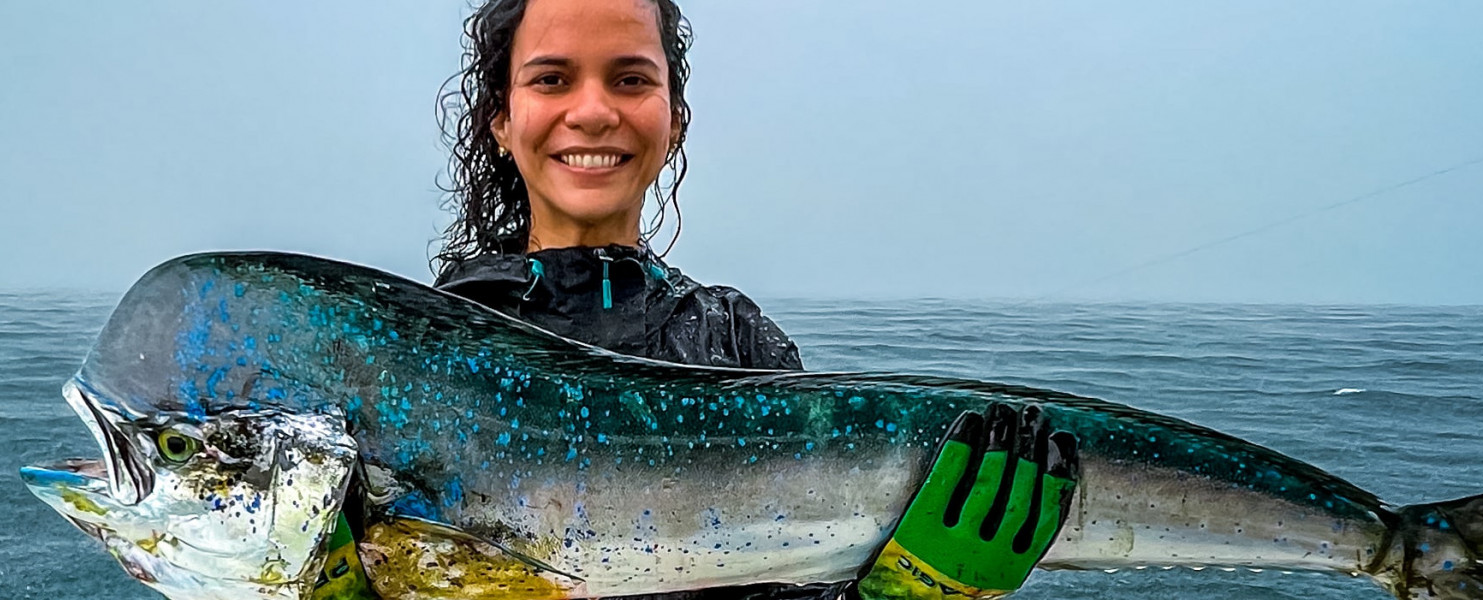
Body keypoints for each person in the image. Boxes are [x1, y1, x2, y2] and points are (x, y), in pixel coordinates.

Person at [341, 1, 1081, 599]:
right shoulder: (410, 349)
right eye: (552, 79)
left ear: (675, 119)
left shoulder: (738, 340)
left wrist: (911, 591)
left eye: (630, 79)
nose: (593, 111)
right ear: (501, 120)